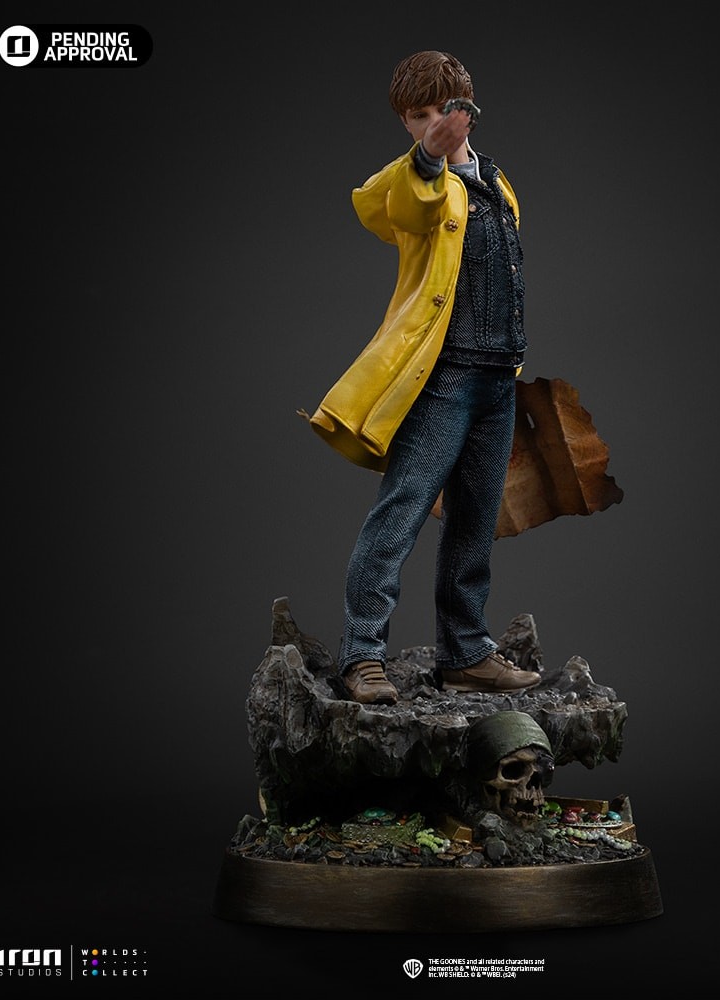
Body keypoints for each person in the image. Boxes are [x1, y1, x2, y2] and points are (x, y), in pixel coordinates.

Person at [309, 50, 541, 705]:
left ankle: (465, 653)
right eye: (420, 115)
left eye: (446, 107)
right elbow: (396, 208)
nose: (436, 120)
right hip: (444, 378)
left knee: (473, 522)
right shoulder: (414, 181)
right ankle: (362, 656)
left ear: (469, 106)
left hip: (497, 376)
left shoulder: (496, 181)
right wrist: (428, 158)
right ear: (407, 124)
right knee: (401, 513)